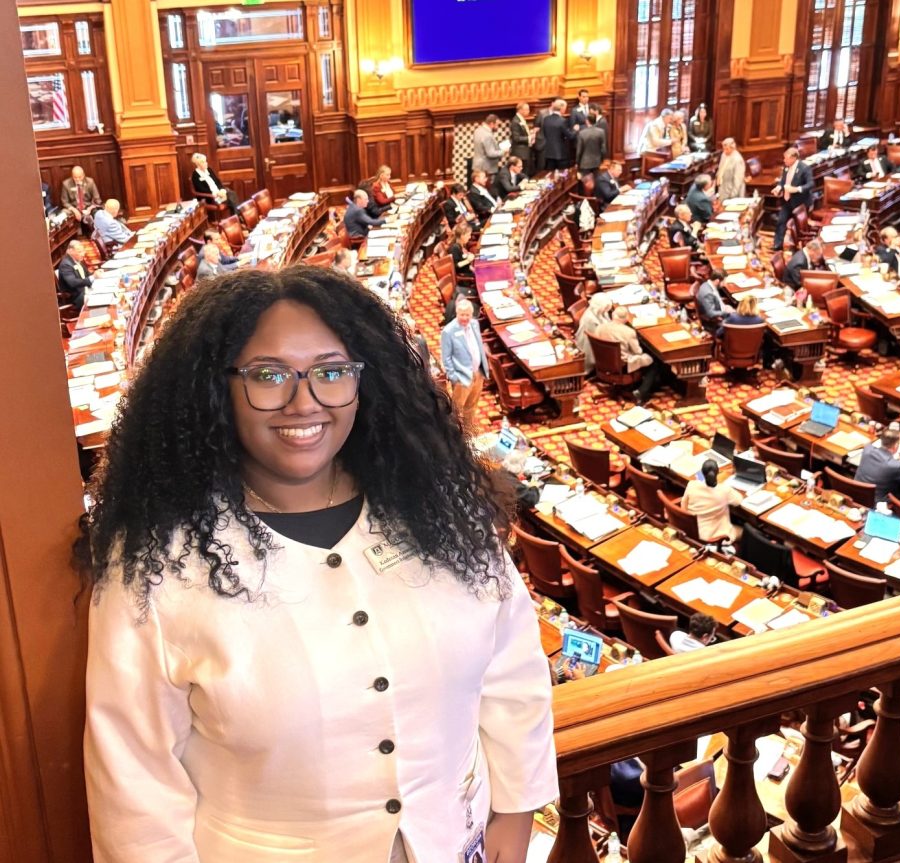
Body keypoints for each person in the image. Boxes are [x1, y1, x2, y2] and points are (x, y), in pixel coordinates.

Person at [79, 267, 556, 863]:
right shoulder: (154, 567)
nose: (304, 402)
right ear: (215, 388)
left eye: (331, 372)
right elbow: (134, 781)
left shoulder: (437, 508)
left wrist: (512, 821)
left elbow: (513, 674)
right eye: (269, 376)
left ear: (364, 381)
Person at [441, 298, 489, 433]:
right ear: (457, 313)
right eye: (462, 314)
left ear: (471, 314)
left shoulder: (474, 324)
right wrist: (454, 378)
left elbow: (478, 346)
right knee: (457, 410)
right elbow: (446, 358)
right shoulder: (448, 331)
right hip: (462, 377)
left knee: (472, 406)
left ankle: (469, 432)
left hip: (477, 373)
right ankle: (454, 434)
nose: (464, 317)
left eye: (467, 314)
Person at [593, 307, 659, 403]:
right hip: (622, 367)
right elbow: (638, 352)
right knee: (654, 362)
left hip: (602, 363)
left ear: (612, 315)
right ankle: (641, 391)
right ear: (626, 318)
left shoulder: (600, 328)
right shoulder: (629, 332)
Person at [854, 427, 900, 504]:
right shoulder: (895, 466)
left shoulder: (868, 449)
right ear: (896, 445)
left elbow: (884, 460)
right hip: (875, 502)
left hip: (856, 493)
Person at [680, 459, 742, 542]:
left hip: (693, 531)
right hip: (715, 537)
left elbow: (683, 505)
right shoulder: (724, 490)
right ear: (717, 473)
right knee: (744, 531)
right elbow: (739, 501)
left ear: (702, 473)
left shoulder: (692, 485)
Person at [771, 148, 813, 251]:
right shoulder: (786, 167)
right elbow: (783, 181)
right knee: (781, 221)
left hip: (800, 203)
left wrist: (797, 189)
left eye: (786, 159)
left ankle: (797, 248)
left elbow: (811, 184)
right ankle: (778, 245)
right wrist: (778, 187)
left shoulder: (804, 168)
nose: (784, 161)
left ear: (794, 158)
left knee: (798, 227)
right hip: (787, 201)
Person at [574, 293, 614, 374]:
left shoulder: (600, 311)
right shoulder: (591, 320)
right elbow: (601, 338)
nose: (607, 310)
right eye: (605, 308)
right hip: (593, 348)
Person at [57, 239, 92, 309]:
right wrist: (91, 279)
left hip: (85, 291)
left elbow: (88, 275)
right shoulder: (65, 265)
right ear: (70, 251)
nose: (83, 254)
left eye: (83, 251)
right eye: (79, 252)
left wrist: (96, 276)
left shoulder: (77, 260)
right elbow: (73, 282)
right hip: (76, 297)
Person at [541, 99, 574, 170]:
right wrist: (575, 130)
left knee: (550, 175)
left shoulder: (546, 119)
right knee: (562, 176)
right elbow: (570, 136)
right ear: (562, 108)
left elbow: (544, 133)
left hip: (548, 153)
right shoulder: (562, 121)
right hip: (561, 154)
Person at [509, 102, 534, 173]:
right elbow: (516, 138)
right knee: (522, 173)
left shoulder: (521, 119)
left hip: (525, 151)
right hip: (520, 153)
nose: (528, 111)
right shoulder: (515, 121)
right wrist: (529, 138)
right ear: (520, 110)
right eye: (527, 109)